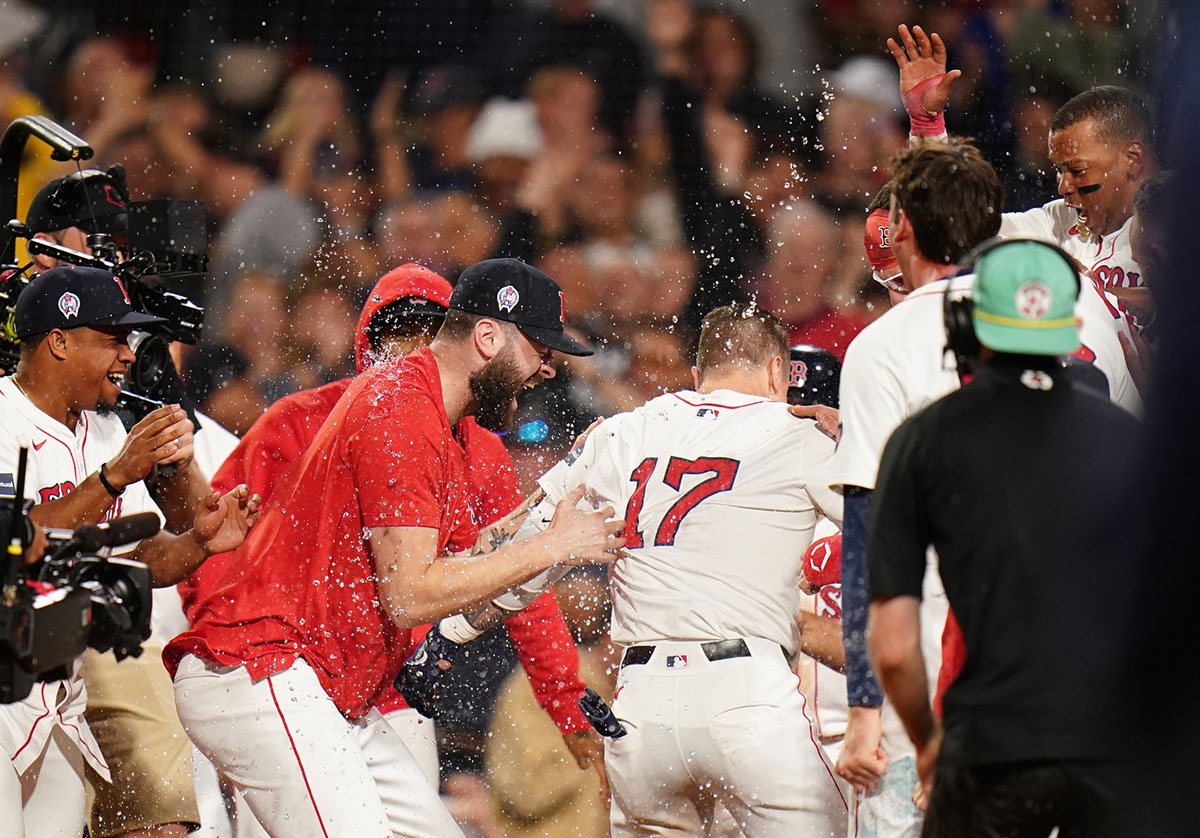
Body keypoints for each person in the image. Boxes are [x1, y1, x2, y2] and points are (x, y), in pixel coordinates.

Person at [165, 258, 624, 837]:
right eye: (540, 349)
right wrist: (550, 548)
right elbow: (410, 597)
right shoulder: (400, 410)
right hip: (265, 669)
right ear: (485, 337)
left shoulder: (444, 424)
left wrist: (544, 513)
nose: (549, 369)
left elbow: (471, 576)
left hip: (333, 684)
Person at [831, 139, 1141, 838]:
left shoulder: (888, 345)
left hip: (964, 690)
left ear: (901, 227)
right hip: (1106, 702)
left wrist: (865, 711)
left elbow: (869, 562)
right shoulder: (1085, 305)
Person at [524, 303, 847, 836]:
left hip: (641, 704)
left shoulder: (623, 432)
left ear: (698, 378)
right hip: (747, 697)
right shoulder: (797, 435)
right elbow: (901, 519)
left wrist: (451, 633)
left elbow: (521, 543)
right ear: (776, 373)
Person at [0, 265, 260, 838]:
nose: (127, 355)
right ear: (59, 342)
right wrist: (113, 477)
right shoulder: (3, 418)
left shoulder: (105, 428)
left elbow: (142, 553)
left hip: (59, 687)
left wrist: (198, 542)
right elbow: (14, 540)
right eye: (111, 339)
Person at [887, 24, 1158, 314]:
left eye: (1078, 171)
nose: (1063, 187)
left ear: (1132, 158)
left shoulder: (1185, 217)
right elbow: (962, 228)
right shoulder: (1057, 222)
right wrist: (927, 126)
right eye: (1059, 170)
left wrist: (1090, 290)